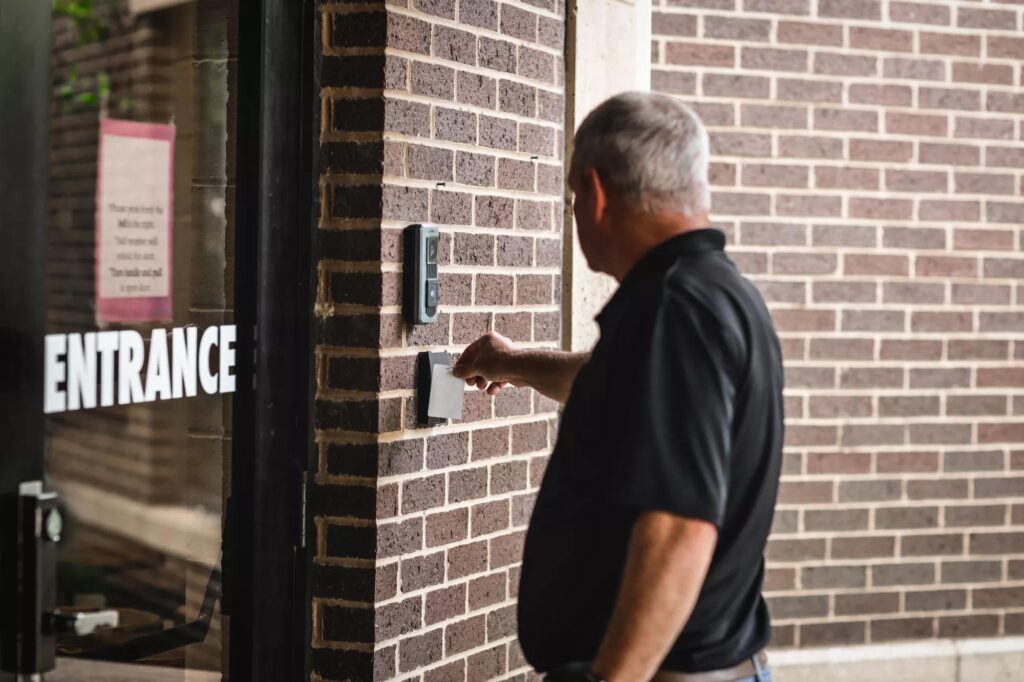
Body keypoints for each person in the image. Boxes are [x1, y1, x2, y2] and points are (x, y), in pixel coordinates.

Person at [453, 92, 784, 682]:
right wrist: (514, 363)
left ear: (596, 191)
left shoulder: (673, 312)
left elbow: (679, 528)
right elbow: (618, 391)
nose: (576, 213)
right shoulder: (719, 296)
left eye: (573, 200)